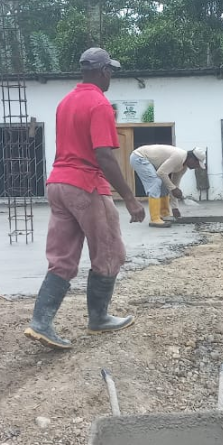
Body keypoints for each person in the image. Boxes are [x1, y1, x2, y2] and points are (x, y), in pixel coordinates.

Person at [24, 47, 147, 350]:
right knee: (109, 251)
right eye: (111, 71)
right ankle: (99, 318)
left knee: (62, 258)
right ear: (103, 71)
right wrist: (130, 198)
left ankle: (40, 322)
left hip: (57, 184)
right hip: (85, 185)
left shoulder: (65, 102)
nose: (111, 77)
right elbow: (103, 155)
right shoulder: (99, 104)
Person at [129, 144, 206, 227]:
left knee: (166, 184)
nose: (197, 167)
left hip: (148, 161)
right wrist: (173, 188)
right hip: (139, 157)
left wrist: (175, 207)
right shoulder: (178, 157)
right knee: (155, 182)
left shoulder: (183, 167)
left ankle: (164, 214)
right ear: (192, 159)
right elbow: (161, 173)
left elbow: (174, 185)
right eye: (197, 164)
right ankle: (154, 219)